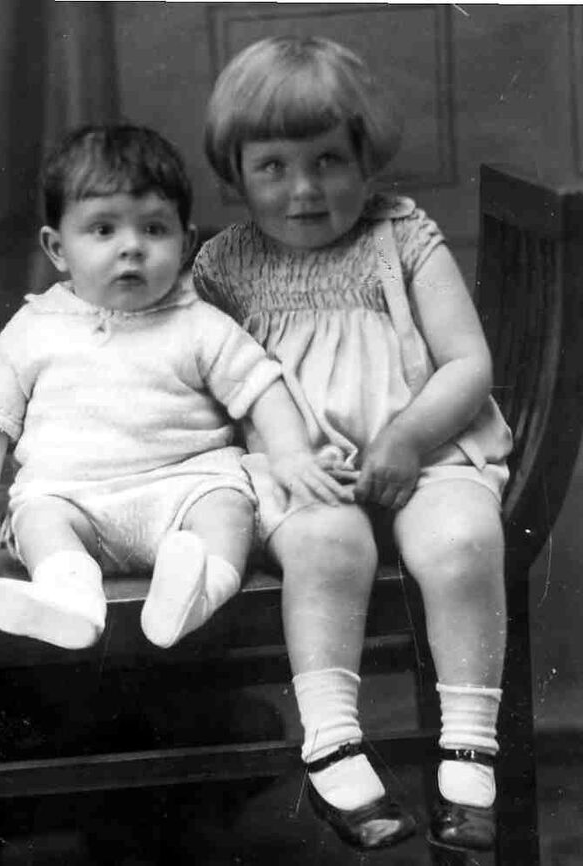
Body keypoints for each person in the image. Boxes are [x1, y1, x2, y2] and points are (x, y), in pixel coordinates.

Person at [194, 36, 513, 852]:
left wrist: (407, 437)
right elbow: (201, 381)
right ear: (235, 176)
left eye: (329, 160)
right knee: (327, 547)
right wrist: (283, 456)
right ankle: (333, 746)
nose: (304, 188)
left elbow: (467, 363)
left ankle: (469, 753)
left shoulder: (401, 236)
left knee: (462, 540)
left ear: (366, 160)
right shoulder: (223, 266)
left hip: (426, 453)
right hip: (303, 471)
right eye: (272, 166)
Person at [0, 123, 352, 653]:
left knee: (228, 506)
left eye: (154, 229)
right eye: (103, 230)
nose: (132, 248)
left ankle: (199, 590)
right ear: (57, 248)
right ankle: (70, 598)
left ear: (185, 245)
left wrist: (292, 455)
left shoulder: (198, 324)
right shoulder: (34, 327)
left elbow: (263, 388)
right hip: (73, 498)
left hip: (185, 488)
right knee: (40, 518)